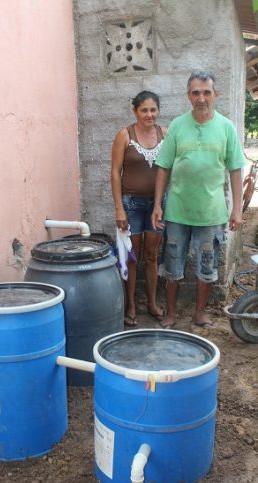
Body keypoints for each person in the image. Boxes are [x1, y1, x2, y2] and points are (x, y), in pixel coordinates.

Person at [151, 71, 245, 329]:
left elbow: (236, 169)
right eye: (195, 92)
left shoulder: (226, 127)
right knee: (172, 267)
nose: (201, 98)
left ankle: (199, 314)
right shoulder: (178, 126)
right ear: (188, 96)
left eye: (206, 92)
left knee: (207, 267)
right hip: (177, 211)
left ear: (216, 95)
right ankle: (170, 314)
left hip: (211, 213)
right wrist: (158, 204)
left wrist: (236, 209)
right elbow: (163, 167)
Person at [111, 90, 166, 327]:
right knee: (132, 257)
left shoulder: (166, 133)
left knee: (152, 255)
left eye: (153, 109)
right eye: (144, 110)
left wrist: (160, 203)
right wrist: (118, 209)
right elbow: (115, 172)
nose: (149, 114)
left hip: (157, 205)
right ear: (135, 111)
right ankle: (131, 305)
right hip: (130, 204)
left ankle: (152, 303)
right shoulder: (125, 135)